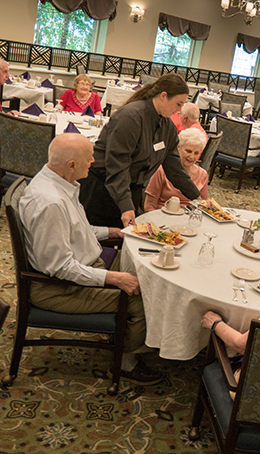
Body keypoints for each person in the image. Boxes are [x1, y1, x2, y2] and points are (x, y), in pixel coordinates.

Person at [19, 133, 161, 384]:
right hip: (59, 289)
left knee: (146, 268)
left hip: (84, 263)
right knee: (144, 299)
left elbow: (76, 230)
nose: (94, 162)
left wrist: (116, 232)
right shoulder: (50, 202)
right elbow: (60, 267)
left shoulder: (58, 183)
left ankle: (123, 334)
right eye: (89, 158)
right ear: (71, 164)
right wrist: (115, 278)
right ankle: (125, 363)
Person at [79, 74, 201, 228]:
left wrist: (197, 197)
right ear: (163, 96)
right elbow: (117, 165)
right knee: (97, 244)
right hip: (103, 191)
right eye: (178, 104)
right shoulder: (131, 117)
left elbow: (174, 167)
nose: (179, 110)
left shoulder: (167, 126)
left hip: (131, 191)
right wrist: (125, 205)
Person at [143, 127, 209, 211]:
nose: (192, 157)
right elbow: (149, 205)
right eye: (188, 151)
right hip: (164, 217)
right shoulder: (162, 170)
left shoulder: (203, 174)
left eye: (196, 153)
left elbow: (203, 205)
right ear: (178, 148)